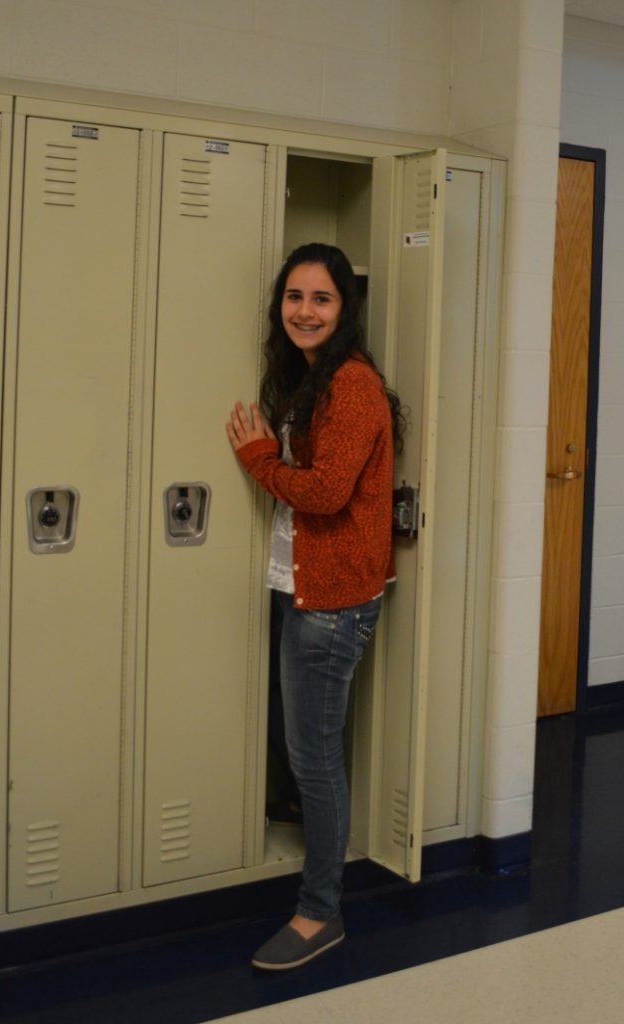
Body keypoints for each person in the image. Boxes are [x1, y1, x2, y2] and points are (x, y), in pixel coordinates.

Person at [225, 242, 402, 970]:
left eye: (320, 299)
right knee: (302, 746)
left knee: (315, 757)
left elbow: (327, 492)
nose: (304, 311)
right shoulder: (309, 379)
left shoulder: (352, 385)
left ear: (343, 308)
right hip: (301, 585)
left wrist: (258, 458)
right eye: (294, 298)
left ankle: (318, 913)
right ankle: (309, 837)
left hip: (331, 602)